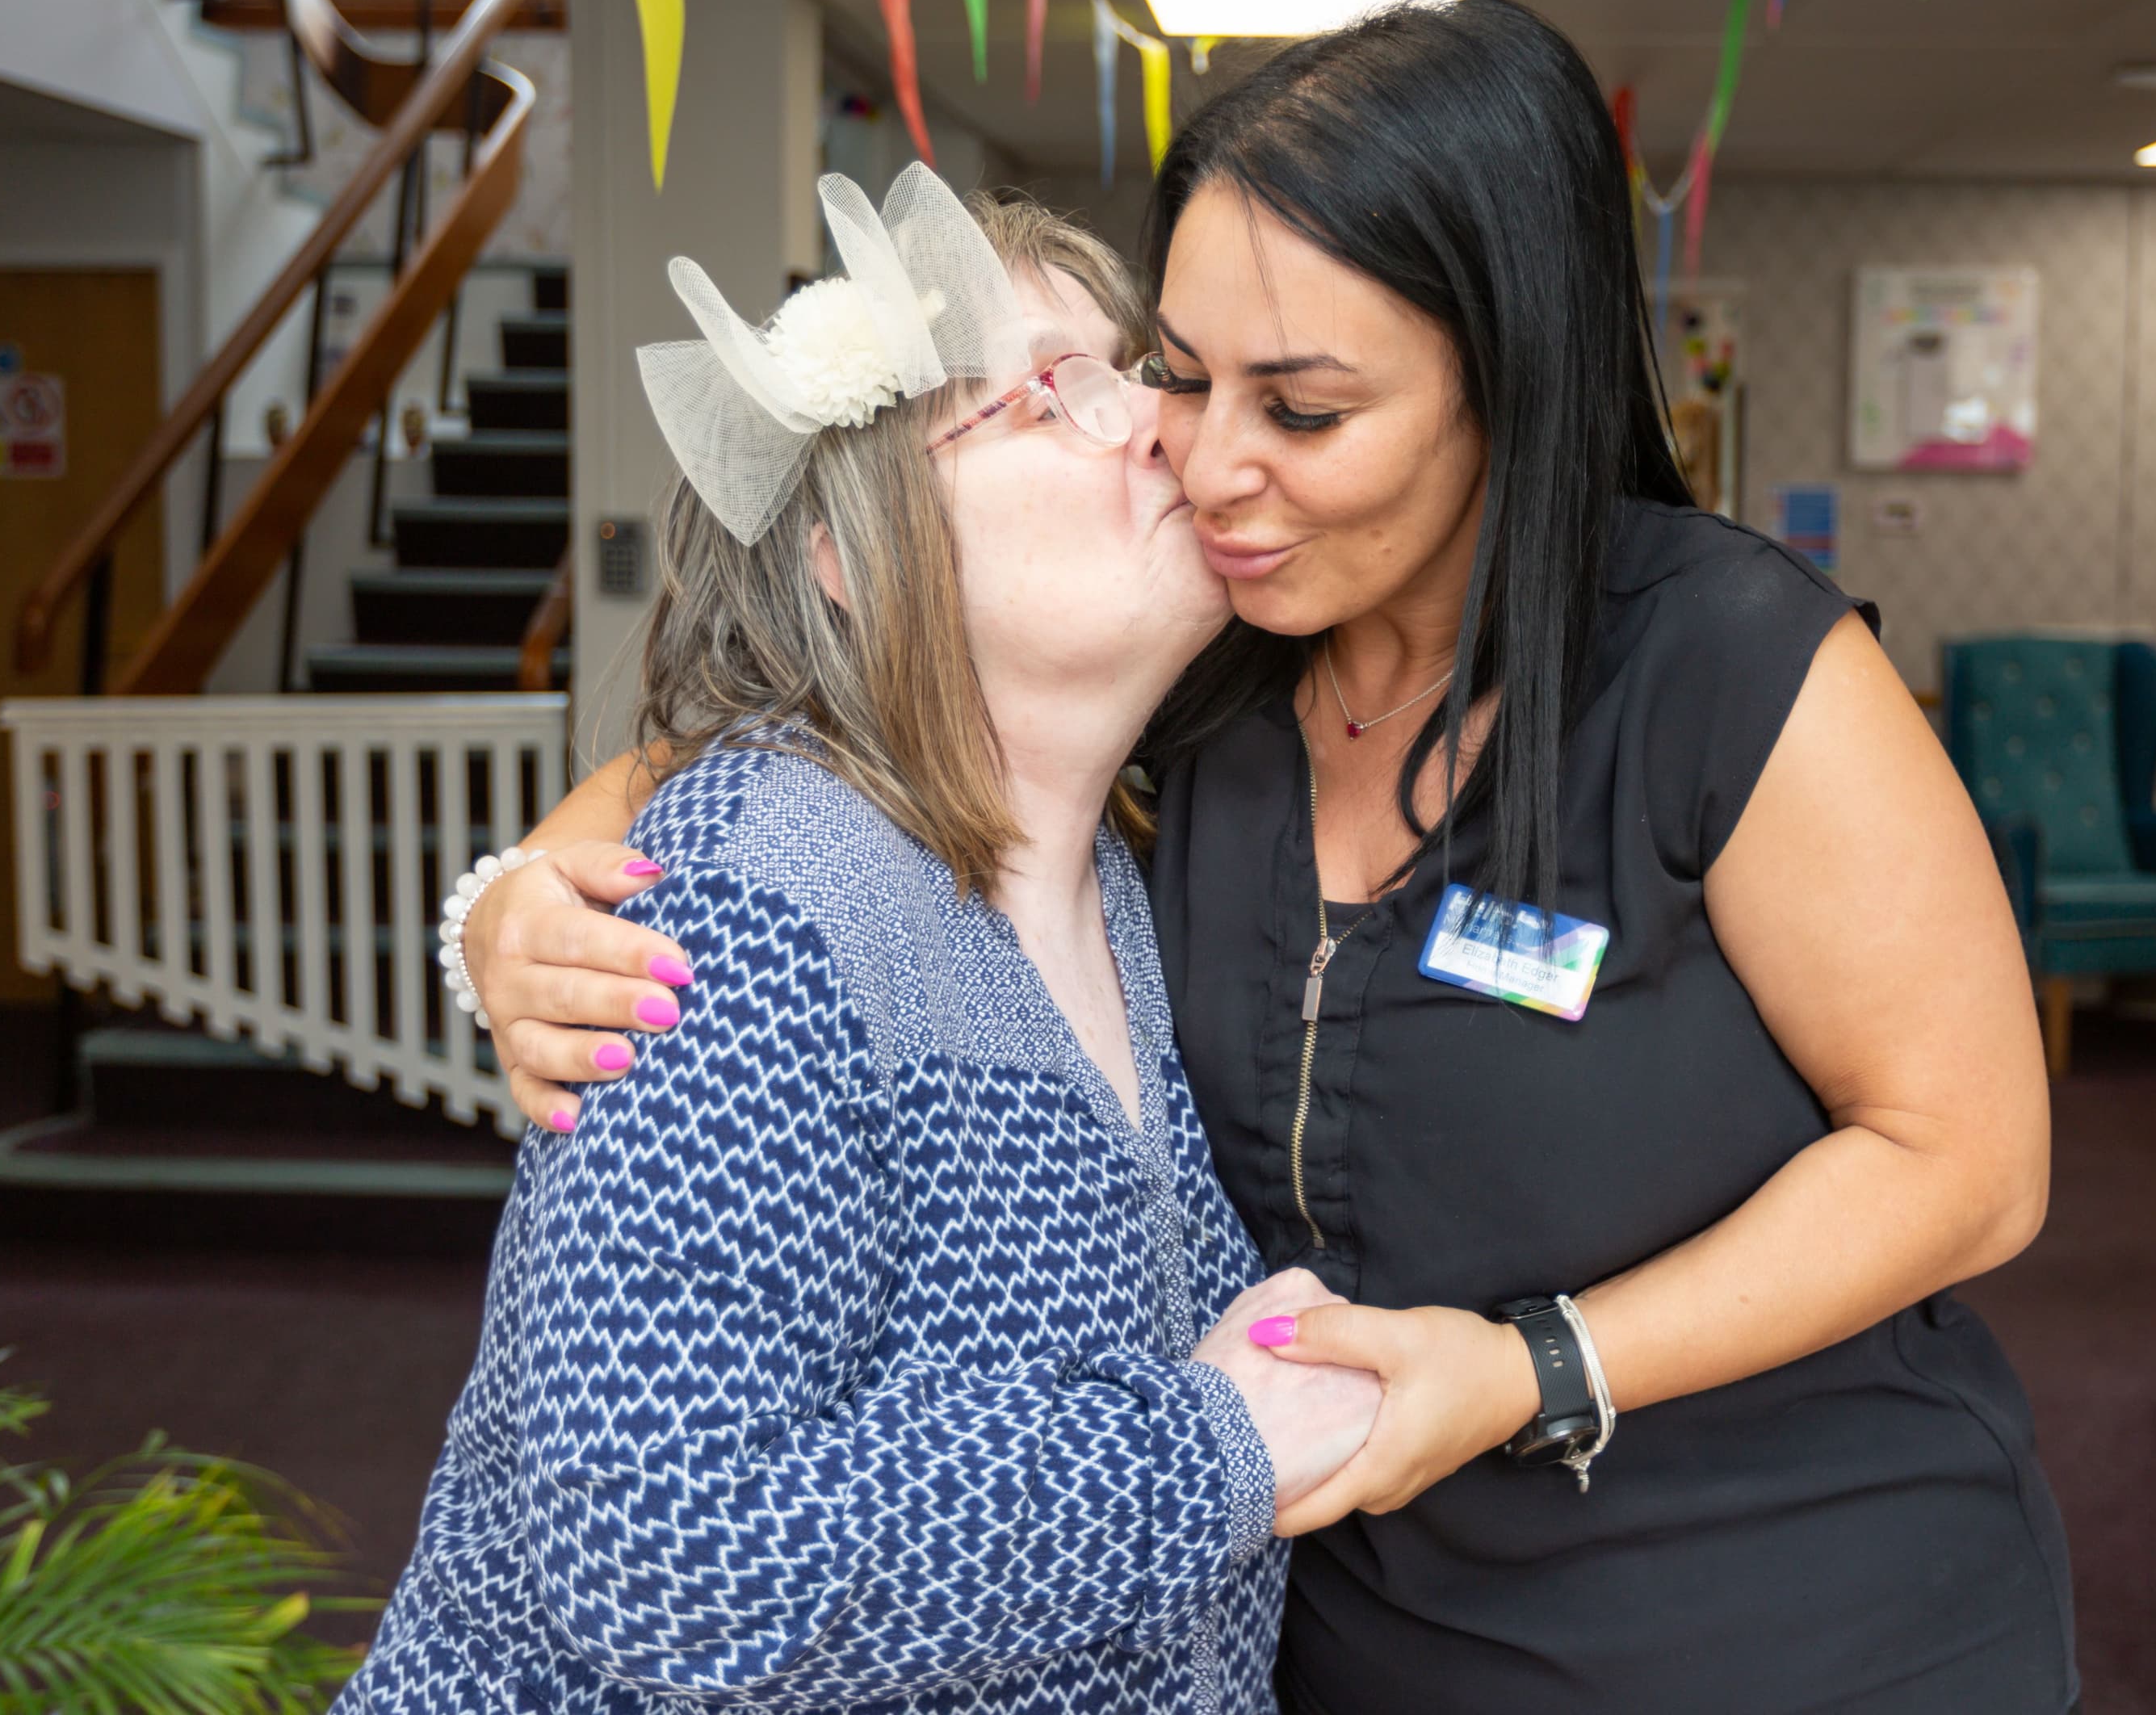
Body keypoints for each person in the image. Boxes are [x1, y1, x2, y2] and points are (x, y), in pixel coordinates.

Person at [463, 0, 2078, 1713]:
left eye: (1300, 409)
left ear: (1506, 386)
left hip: (1787, 1623)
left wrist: (1537, 1363)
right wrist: (511, 901)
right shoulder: (1209, 663)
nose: (1204, 458)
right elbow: (806, 721)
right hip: (1359, 1632)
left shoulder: (1723, 668)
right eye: (1179, 372)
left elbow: (1968, 1158)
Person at [338, 168, 1380, 1715]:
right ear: (846, 550)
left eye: (1134, 378)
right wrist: (1213, 1448)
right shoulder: (757, 902)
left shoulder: (1123, 871)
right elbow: (660, 1549)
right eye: (1050, 396)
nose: (1158, 427)